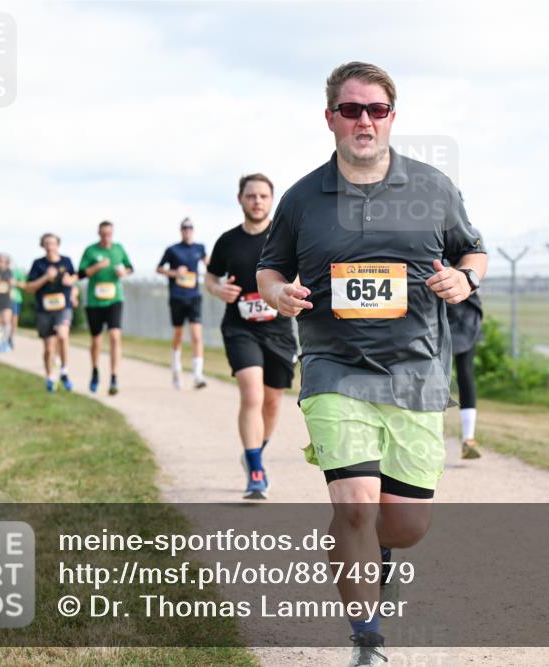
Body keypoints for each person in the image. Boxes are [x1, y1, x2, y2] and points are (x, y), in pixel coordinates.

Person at [256, 62, 486, 664]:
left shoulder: (432, 187)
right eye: (352, 109)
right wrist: (278, 293)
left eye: (376, 110)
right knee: (355, 504)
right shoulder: (302, 198)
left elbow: (473, 251)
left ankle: (374, 551)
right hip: (334, 367)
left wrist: (464, 279)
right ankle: (367, 638)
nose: (364, 120)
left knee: (406, 526)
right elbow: (270, 267)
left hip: (416, 371)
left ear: (391, 117)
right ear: (330, 117)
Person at [207, 173, 298, 500]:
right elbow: (210, 276)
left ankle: (254, 452)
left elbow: (303, 272)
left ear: (272, 200)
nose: (257, 201)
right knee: (252, 394)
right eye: (251, 196)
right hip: (240, 327)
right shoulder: (228, 241)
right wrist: (218, 289)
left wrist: (292, 292)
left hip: (278, 330)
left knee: (272, 403)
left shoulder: (285, 238)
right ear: (240, 200)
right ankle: (256, 471)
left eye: (262, 196)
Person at [78, 220, 133, 395]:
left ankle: (114, 376)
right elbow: (80, 273)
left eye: (109, 234)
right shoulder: (91, 251)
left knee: (115, 336)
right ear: (99, 234)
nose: (106, 237)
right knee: (96, 340)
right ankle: (95, 370)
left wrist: (124, 272)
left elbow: (130, 267)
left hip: (115, 299)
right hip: (94, 301)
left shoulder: (118, 249)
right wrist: (97, 266)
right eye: (103, 234)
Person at [157, 218, 208, 389]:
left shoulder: (199, 248)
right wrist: (174, 272)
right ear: (181, 230)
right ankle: (176, 369)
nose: (187, 230)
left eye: (190, 227)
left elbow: (210, 263)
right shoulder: (172, 250)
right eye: (185, 228)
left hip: (194, 296)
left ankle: (198, 375)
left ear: (193, 230)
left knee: (196, 335)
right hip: (177, 297)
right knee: (178, 334)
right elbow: (159, 268)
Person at [27, 233, 79, 392]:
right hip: (44, 310)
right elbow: (30, 287)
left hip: (63, 307)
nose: (50, 246)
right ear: (43, 246)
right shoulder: (38, 264)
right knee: (49, 348)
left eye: (53, 243)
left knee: (63, 335)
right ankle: (49, 376)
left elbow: (74, 280)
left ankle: (64, 371)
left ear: (58, 245)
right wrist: (46, 277)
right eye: (47, 243)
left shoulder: (66, 261)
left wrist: (73, 292)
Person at [448, 290, 483, 459]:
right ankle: (468, 439)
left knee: (464, 372)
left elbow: (477, 276)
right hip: (438, 310)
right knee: (440, 375)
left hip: (464, 311)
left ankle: (468, 439)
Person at [9, 266, 27, 349]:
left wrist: (15, 283)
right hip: (2, 299)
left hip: (15, 299)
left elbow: (25, 285)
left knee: (14, 319)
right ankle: (4, 335)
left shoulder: (17, 272)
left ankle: (11, 338)